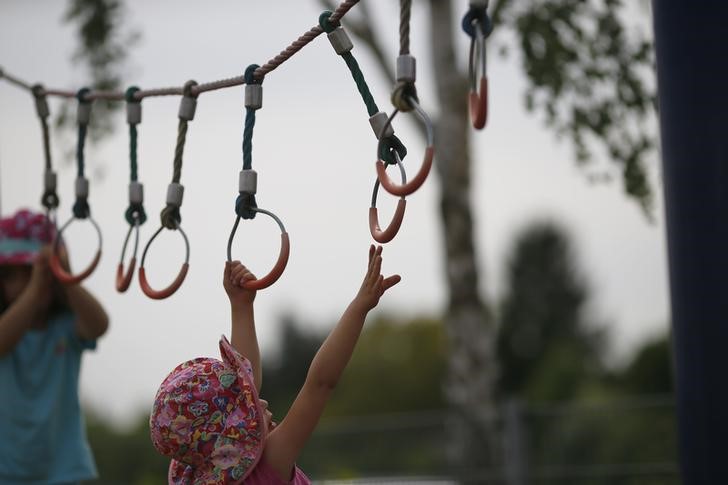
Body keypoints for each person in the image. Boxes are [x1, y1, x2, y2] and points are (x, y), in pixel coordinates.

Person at [151, 244, 401, 483]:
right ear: (232, 436)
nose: (260, 399)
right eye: (246, 407)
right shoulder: (267, 468)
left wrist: (241, 305)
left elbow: (249, 380)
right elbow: (320, 385)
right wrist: (359, 307)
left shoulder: (196, 472)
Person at [0, 209, 109, 484]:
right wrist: (35, 291)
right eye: (17, 274)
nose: (32, 280)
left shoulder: (65, 327)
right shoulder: (8, 329)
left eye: (39, 274)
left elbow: (98, 325)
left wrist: (67, 279)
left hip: (63, 468)